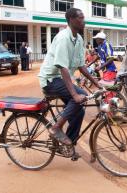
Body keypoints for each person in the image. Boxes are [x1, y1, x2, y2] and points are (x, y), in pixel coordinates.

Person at [38, 8, 100, 148]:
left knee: (79, 111)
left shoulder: (78, 39)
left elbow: (81, 66)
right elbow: (62, 67)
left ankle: (68, 145)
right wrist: (75, 94)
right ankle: (56, 128)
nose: (83, 21)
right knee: (81, 95)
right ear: (71, 20)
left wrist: (97, 82)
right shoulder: (63, 38)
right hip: (50, 80)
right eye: (81, 18)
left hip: (60, 79)